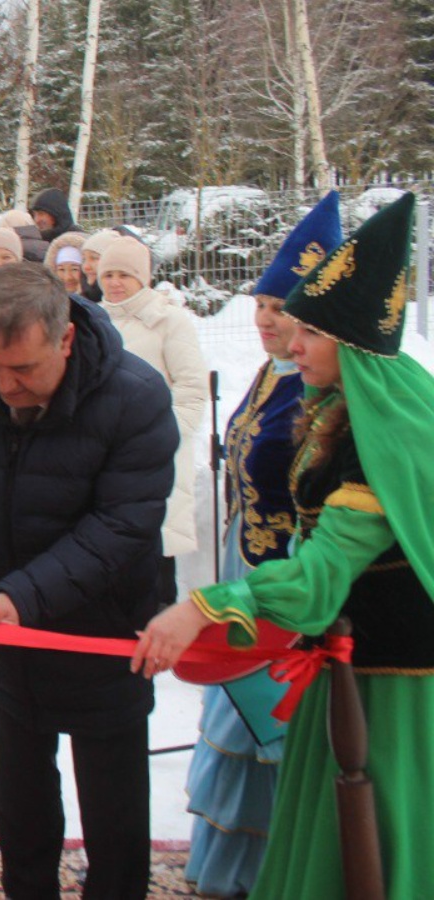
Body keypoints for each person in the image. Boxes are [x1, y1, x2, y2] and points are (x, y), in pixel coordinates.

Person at [134, 193, 434, 899]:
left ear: (354, 345)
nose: (292, 344)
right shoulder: (351, 406)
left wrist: (202, 607)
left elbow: (321, 579)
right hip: (344, 664)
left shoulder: (375, 437)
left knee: (375, 843)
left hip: (390, 688)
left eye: (311, 333)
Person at [0, 263, 177, 899]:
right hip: (9, 634)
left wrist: (23, 594)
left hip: (104, 630)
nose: (3, 386)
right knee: (22, 794)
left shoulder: (135, 397)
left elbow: (123, 526)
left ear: (63, 340)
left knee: (113, 805)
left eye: (22, 370)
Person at [178, 192, 341, 898]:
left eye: (285, 310)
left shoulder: (324, 390)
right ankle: (233, 876)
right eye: (263, 304)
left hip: (286, 586)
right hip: (244, 569)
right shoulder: (271, 371)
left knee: (274, 739)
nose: (269, 320)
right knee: (233, 729)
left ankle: (279, 872)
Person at [97, 237, 209, 605]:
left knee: (155, 561)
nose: (114, 283)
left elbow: (192, 388)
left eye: (125, 275)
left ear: (142, 278)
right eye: (108, 274)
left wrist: (158, 438)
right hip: (105, 458)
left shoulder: (169, 321)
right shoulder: (93, 320)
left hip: (158, 460)